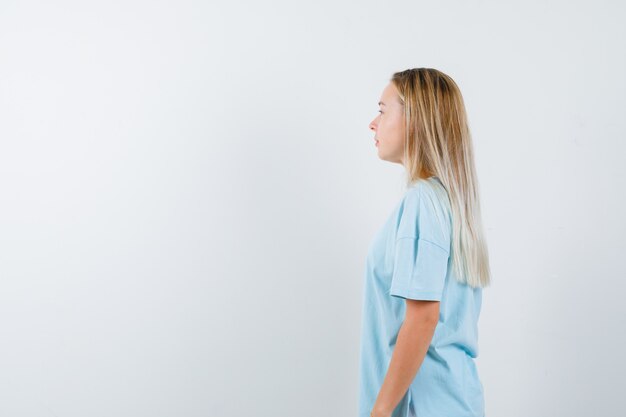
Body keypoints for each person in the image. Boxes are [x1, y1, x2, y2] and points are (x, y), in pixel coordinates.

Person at [358, 68, 492, 417]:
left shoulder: (423, 203)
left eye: (383, 110)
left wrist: (380, 411)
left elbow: (423, 319)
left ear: (415, 120)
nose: (373, 123)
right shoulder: (450, 203)